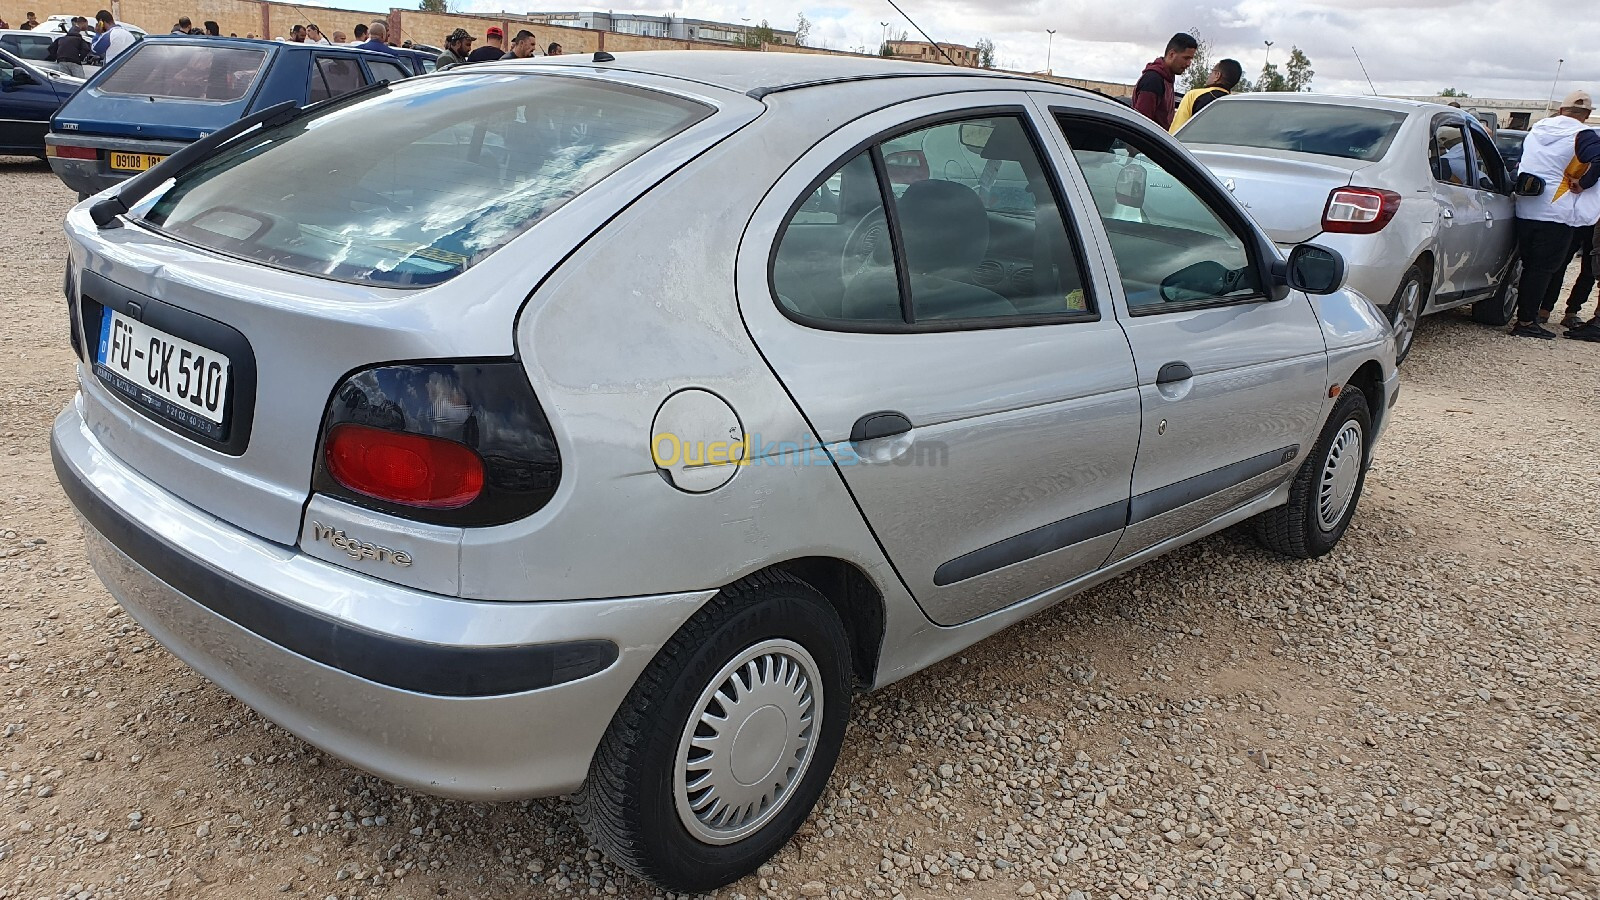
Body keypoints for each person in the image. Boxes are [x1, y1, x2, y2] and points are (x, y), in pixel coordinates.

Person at [1509, 90, 1600, 339]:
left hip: (1526, 203)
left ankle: (1526, 316)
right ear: (1587, 115)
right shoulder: (1582, 134)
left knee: (1527, 264)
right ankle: (1527, 322)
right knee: (1543, 268)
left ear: (1561, 110)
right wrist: (1584, 183)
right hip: (1557, 209)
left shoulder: (1538, 129)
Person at [1132, 33, 1198, 131]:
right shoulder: (1153, 81)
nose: (1188, 64)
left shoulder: (1167, 78)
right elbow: (1140, 126)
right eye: (1186, 58)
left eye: (1191, 59)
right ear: (1172, 54)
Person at [1170, 57, 1241, 133]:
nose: (1209, 75)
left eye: (1212, 71)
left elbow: (1176, 131)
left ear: (1217, 75)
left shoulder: (1193, 95)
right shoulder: (1235, 104)